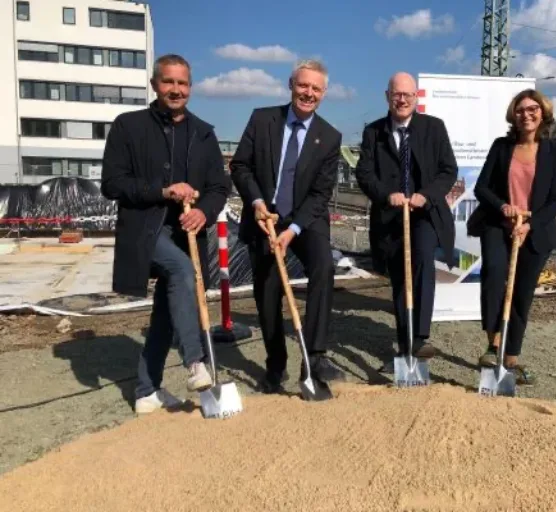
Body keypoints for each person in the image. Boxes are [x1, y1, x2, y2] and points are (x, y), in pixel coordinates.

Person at [101, 54, 231, 414]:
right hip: (145, 230)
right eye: (169, 82)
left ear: (191, 87)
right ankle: (194, 362)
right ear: (155, 84)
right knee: (180, 270)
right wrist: (163, 192)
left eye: (183, 83)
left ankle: (146, 390)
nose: (176, 90)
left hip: (187, 231)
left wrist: (205, 211)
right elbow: (112, 183)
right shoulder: (128, 126)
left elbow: (220, 187)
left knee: (165, 313)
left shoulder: (204, 133)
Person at [229, 59, 344, 393]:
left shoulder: (329, 136)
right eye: (303, 86)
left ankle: (316, 356)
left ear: (324, 93)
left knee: (323, 266)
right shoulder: (262, 119)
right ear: (291, 85)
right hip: (265, 216)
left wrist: (293, 230)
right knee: (268, 292)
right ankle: (275, 364)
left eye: (315, 89)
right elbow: (240, 165)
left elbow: (321, 193)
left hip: (305, 221)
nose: (308, 93)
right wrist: (256, 203)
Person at [355, 72, 458, 373]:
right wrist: (388, 195)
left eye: (408, 95)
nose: (402, 100)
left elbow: (447, 170)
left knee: (423, 261)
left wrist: (426, 195)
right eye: (396, 94)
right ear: (387, 96)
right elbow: (364, 173)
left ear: (416, 97)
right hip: (391, 216)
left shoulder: (433, 128)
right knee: (400, 279)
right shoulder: (374, 132)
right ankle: (404, 349)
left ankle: (420, 338)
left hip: (424, 214)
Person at [469, 89, 556, 385]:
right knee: (494, 279)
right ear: (513, 115)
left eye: (532, 109)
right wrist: (503, 206)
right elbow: (482, 188)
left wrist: (530, 224)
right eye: (521, 109)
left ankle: (511, 360)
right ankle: (493, 345)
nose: (526, 114)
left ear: (542, 112)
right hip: (499, 226)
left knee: (522, 294)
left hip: (536, 233)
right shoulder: (502, 147)